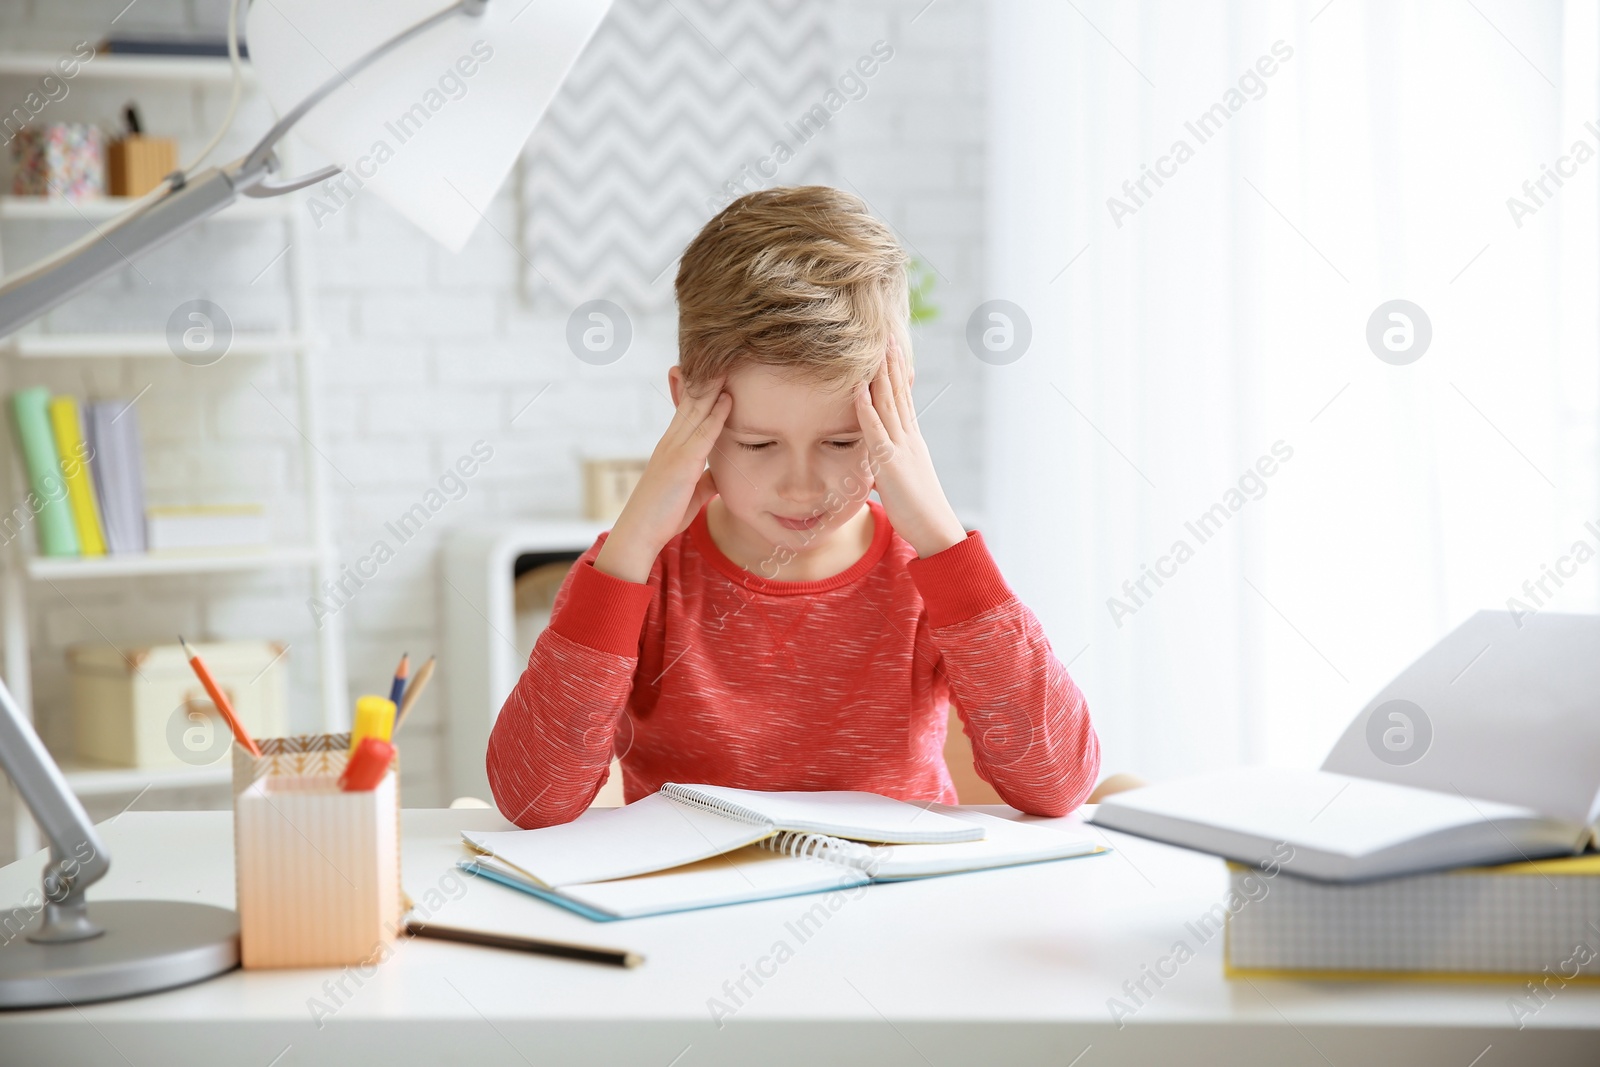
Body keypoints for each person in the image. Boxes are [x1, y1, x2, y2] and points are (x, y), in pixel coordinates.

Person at [487, 185, 1099, 828]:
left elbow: (1056, 784)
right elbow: (534, 799)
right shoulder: (638, 572)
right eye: (758, 443)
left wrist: (943, 540)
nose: (804, 488)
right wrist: (633, 542)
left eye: (842, 441)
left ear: (899, 409)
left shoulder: (933, 569)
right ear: (686, 406)